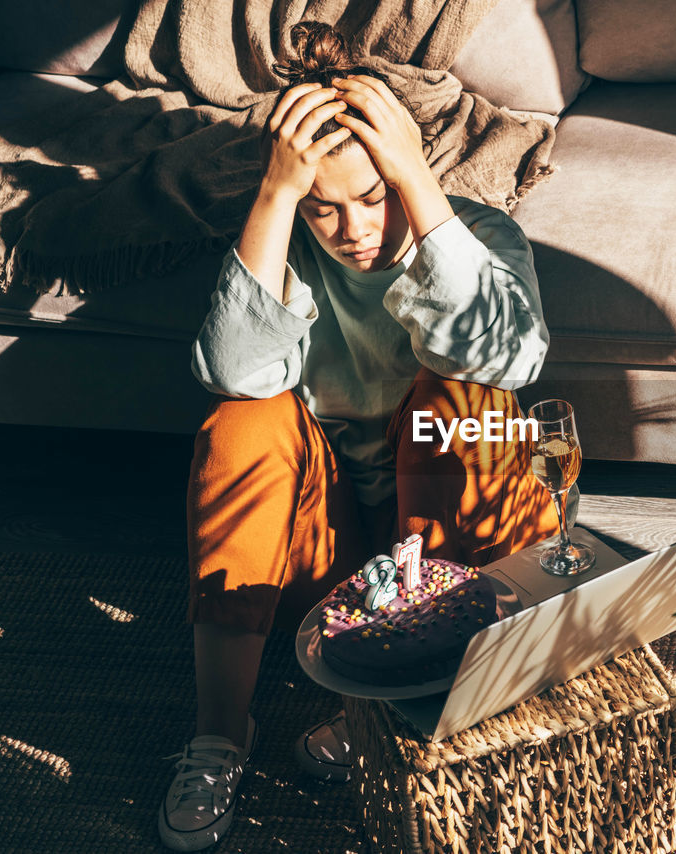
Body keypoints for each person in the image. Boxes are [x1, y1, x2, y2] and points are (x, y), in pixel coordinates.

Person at [156, 22, 558, 852]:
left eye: (373, 197)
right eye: (324, 205)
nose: (353, 229)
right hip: (325, 543)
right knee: (244, 416)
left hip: (451, 543)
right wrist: (274, 199)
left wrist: (413, 173)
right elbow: (232, 370)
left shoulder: (479, 237)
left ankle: (406, 698)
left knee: (465, 395)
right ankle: (222, 735)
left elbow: (506, 361)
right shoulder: (283, 246)